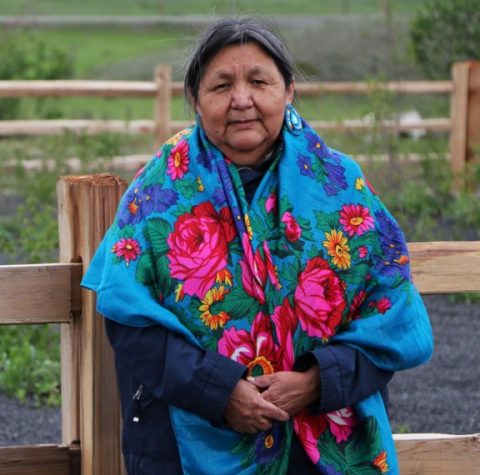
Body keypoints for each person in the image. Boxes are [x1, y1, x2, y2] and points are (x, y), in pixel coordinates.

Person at [81, 17, 433, 475]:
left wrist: (315, 381)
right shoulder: (159, 192)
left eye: (259, 81)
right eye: (221, 85)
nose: (241, 99)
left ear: (288, 91)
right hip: (186, 443)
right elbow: (131, 324)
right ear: (195, 99)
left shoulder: (340, 189)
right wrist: (220, 392)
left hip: (318, 446)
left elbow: (390, 319)